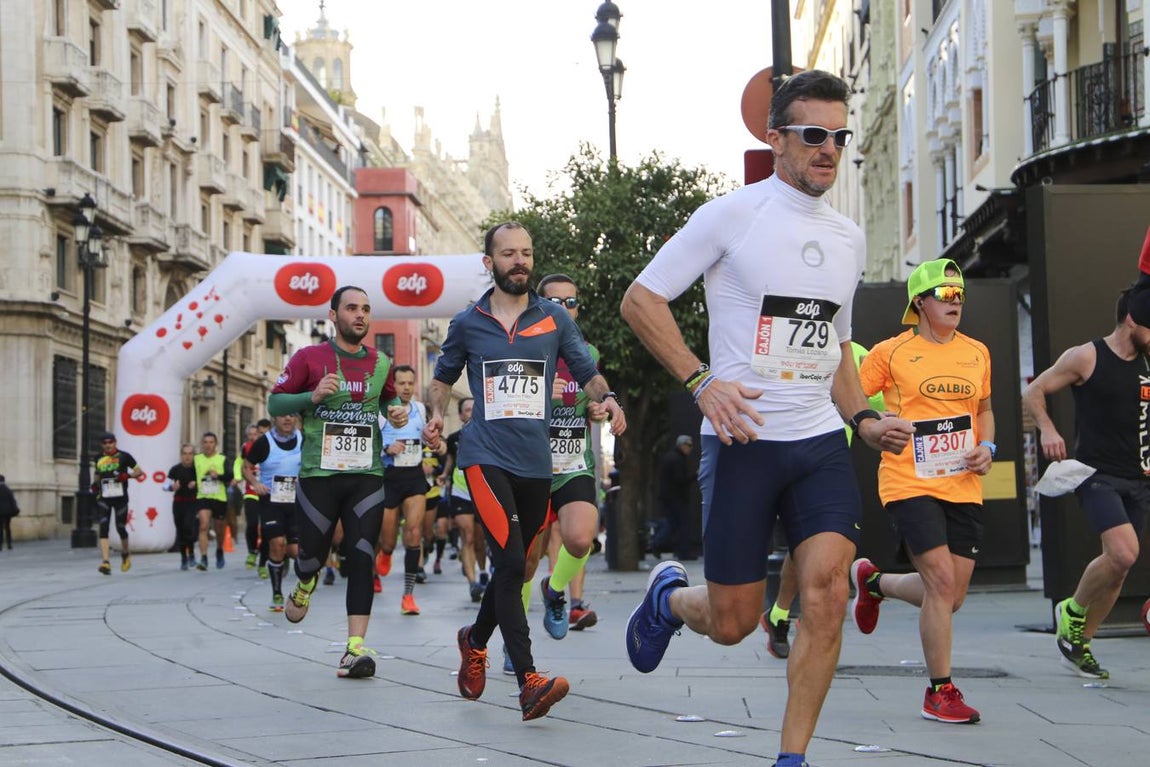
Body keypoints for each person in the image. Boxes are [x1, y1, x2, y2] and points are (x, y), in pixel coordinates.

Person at [618, 70, 914, 767]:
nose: (830, 150)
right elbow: (641, 299)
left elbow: (835, 346)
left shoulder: (846, 236)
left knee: (826, 592)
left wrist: (865, 419)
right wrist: (702, 381)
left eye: (839, 137)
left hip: (818, 442)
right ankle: (668, 599)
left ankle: (792, 757)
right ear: (776, 138)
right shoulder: (733, 214)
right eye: (814, 135)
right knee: (733, 621)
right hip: (744, 440)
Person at [423, 221, 626, 721]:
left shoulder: (554, 318)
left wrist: (610, 398)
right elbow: (442, 378)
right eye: (509, 253)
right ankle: (529, 679)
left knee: (519, 561)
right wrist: (433, 414)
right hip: (485, 457)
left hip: (537, 464)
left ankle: (474, 639)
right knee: (512, 565)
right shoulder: (468, 322)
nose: (520, 261)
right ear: (489, 263)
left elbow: (585, 370)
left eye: (526, 253)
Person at [849, 259, 993, 724]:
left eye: (960, 295)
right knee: (941, 582)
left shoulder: (977, 352)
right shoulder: (890, 353)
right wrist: (872, 424)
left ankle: (874, 583)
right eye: (946, 296)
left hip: (963, 482)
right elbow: (848, 395)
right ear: (920, 302)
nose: (956, 303)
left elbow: (984, 409)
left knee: (950, 597)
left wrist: (987, 445)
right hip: (908, 481)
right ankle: (940, 692)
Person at [269, 285, 405, 679]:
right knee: (311, 555)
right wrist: (310, 397)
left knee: (362, 552)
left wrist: (394, 412)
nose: (360, 315)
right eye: (351, 308)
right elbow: (276, 403)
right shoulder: (309, 357)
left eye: (365, 309)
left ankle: (354, 648)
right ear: (333, 316)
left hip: (367, 473)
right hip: (320, 474)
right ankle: (304, 581)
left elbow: (388, 400)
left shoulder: (381, 362)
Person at [1022, 286, 1150, 680]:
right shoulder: (1087, 356)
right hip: (1096, 476)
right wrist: (1046, 429)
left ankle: (1078, 645)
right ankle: (1073, 611)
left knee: (1118, 568)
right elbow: (1034, 391)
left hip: (1140, 478)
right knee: (1125, 553)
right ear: (1133, 320)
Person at [762, 341, 887, 660]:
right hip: (780, 451)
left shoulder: (858, 355)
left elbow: (874, 405)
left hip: (829, 461)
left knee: (816, 549)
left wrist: (882, 421)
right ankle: (779, 614)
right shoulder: (784, 340)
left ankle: (794, 618)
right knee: (800, 549)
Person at [523, 273, 610, 641]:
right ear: (539, 306)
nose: (564, 309)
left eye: (570, 303)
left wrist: (598, 410)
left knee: (580, 539)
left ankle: (555, 590)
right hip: (529, 464)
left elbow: (596, 398)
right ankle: (517, 639)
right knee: (526, 559)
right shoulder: (521, 348)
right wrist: (541, 397)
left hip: (574, 462)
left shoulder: (588, 354)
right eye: (555, 303)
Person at [374, 365, 440, 615]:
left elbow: (425, 438)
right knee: (388, 540)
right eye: (401, 383)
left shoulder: (421, 409)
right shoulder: (382, 413)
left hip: (413, 477)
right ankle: (386, 552)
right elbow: (372, 442)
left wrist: (435, 445)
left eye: (410, 383)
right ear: (393, 385)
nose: (406, 387)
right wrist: (386, 449)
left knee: (414, 534)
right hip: (389, 477)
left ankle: (408, 596)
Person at [243, 413, 303, 611]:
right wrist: (255, 483)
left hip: (296, 502)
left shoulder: (304, 439)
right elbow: (246, 467)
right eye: (282, 416)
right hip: (271, 501)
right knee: (277, 544)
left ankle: (284, 565)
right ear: (274, 419)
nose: (287, 419)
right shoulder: (264, 442)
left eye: (291, 416)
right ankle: (277, 593)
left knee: (295, 551)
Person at [441, 397, 489, 602]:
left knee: (480, 540)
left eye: (474, 409)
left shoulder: (490, 435)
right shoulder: (453, 439)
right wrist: (444, 474)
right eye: (467, 410)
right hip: (461, 492)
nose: (470, 412)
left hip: (483, 492)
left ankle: (483, 571)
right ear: (461, 415)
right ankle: (472, 583)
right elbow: (450, 461)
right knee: (467, 536)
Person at [92, 431, 145, 574]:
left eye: (110, 442)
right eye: (105, 443)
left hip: (120, 498)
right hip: (104, 497)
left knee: (120, 527)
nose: (108, 445)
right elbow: (97, 473)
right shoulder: (98, 457)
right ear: (101, 445)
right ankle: (105, 562)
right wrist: (95, 484)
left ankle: (125, 553)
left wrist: (126, 476)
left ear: (115, 442)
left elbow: (139, 472)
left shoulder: (124, 456)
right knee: (103, 526)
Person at [193, 432, 233, 571]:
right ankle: (203, 558)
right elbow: (191, 473)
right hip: (203, 496)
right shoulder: (197, 459)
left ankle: (219, 549)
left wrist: (218, 476)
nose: (208, 445)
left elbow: (230, 475)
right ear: (202, 444)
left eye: (211, 442)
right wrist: (191, 482)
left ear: (215, 444)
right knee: (203, 526)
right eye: (205, 442)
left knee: (219, 529)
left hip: (219, 497)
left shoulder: (222, 459)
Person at [655, 435, 697, 559]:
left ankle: (658, 544)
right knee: (681, 524)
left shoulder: (672, 457)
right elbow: (679, 480)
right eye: (688, 445)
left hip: (670, 497)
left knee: (673, 524)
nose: (690, 448)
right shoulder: (677, 459)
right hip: (676, 498)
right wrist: (694, 476)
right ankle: (681, 551)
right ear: (682, 445)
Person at [165, 444, 199, 569]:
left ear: (194, 455)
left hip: (192, 502)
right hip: (178, 503)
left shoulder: (197, 469)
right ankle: (183, 558)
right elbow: (165, 486)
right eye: (185, 454)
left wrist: (196, 484)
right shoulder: (175, 469)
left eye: (190, 453)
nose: (187, 457)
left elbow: (205, 483)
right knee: (180, 530)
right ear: (181, 455)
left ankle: (191, 553)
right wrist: (172, 487)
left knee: (188, 527)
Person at [0, 474, 19, 550]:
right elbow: (12, 500)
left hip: (0, 512)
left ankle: (0, 545)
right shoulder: (8, 489)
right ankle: (9, 544)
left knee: (0, 528)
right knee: (7, 527)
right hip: (8, 512)